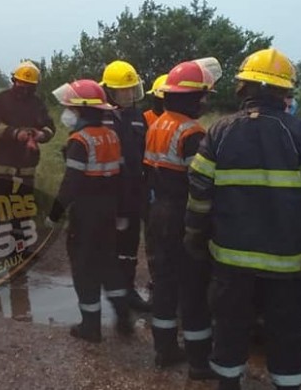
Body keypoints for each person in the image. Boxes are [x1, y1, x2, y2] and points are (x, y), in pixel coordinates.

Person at [184, 49, 301, 390]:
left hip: (230, 260)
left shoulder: (218, 132)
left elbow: (199, 193)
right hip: (285, 263)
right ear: (285, 92)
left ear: (243, 87)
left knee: (230, 327)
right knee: (286, 332)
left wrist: (193, 234)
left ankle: (228, 384)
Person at [144, 58, 220, 378]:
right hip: (182, 214)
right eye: (201, 96)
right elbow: (200, 182)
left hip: (157, 211)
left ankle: (164, 349)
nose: (204, 102)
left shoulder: (157, 123)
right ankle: (200, 362)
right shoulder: (192, 131)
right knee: (193, 288)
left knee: (164, 284)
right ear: (189, 96)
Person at [45, 79, 131, 342]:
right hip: (107, 212)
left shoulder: (79, 140)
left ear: (81, 110)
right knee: (109, 265)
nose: (67, 112)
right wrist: (122, 211)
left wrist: (54, 214)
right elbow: (123, 176)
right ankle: (124, 318)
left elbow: (71, 183)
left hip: (85, 215)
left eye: (70, 107)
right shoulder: (112, 136)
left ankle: (90, 327)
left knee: (84, 270)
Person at [0, 60, 55, 320]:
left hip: (25, 172)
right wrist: (15, 134)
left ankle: (18, 262)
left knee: (21, 220)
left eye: (29, 85)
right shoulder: (0, 101)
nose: (24, 88)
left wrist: (39, 135)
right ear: (14, 81)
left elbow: (50, 128)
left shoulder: (37, 104)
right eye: (21, 83)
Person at [100, 60, 151, 312]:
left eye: (132, 89)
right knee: (113, 245)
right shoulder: (102, 117)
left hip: (134, 191)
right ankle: (114, 294)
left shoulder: (139, 117)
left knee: (131, 245)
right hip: (110, 193)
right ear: (111, 91)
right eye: (124, 90)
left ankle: (129, 291)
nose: (130, 94)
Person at [140, 74, 167, 306]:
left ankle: (164, 280)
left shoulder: (179, 122)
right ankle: (157, 278)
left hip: (167, 188)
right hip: (148, 183)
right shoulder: (145, 118)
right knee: (152, 236)